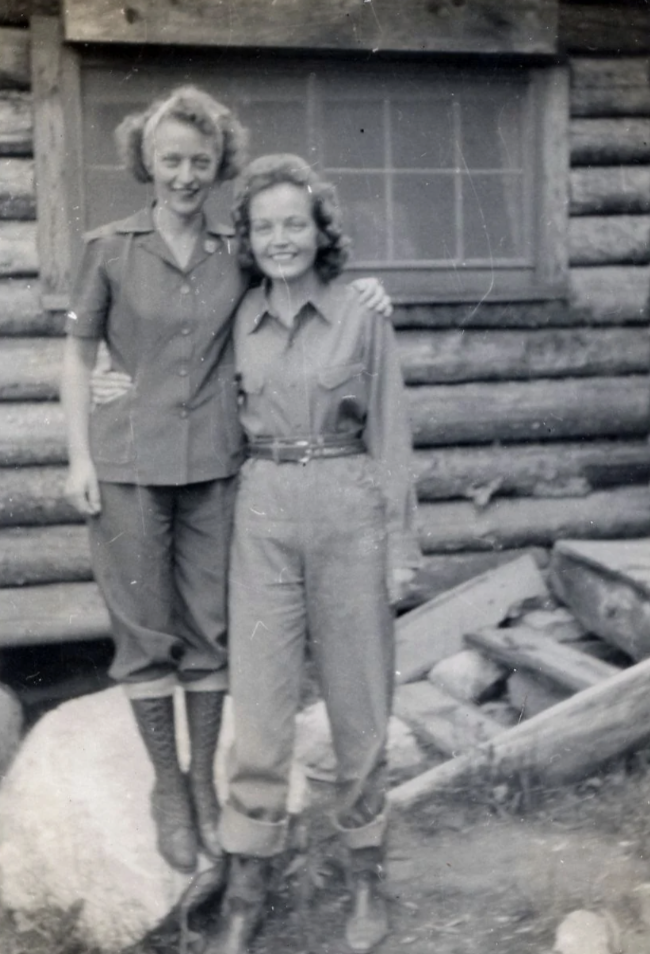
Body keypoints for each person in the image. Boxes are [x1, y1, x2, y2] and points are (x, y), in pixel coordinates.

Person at [62, 86, 391, 877]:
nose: (183, 175)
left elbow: (299, 279)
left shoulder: (233, 255)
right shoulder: (107, 247)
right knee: (143, 632)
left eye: (199, 163)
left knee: (210, 630)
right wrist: (77, 454)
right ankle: (167, 789)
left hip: (216, 468)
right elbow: (77, 357)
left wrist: (368, 294)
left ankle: (209, 791)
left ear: (219, 168)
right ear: (145, 158)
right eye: (170, 159)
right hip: (126, 464)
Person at [206, 154, 421, 954]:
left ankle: (367, 877)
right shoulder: (239, 320)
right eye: (265, 227)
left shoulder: (363, 314)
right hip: (261, 513)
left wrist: (401, 544)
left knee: (359, 707)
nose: (280, 238)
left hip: (347, 505)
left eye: (294, 222)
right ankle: (246, 889)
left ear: (320, 230)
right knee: (260, 714)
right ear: (249, 240)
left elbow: (391, 434)